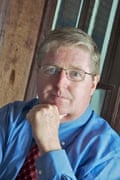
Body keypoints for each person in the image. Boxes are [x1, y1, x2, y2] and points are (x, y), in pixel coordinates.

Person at [0, 28, 120, 180]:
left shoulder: (109, 153)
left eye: (75, 74)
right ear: (38, 73)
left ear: (93, 84)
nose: (60, 83)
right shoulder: (10, 117)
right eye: (52, 70)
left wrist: (50, 147)